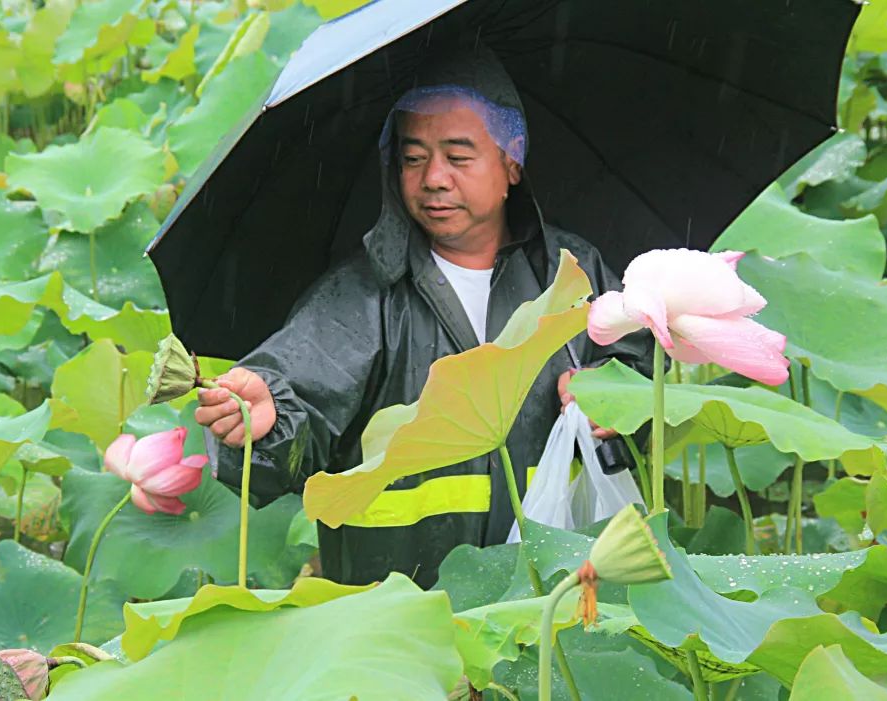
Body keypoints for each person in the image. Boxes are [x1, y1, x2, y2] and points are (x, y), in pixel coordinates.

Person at [195, 48, 651, 588]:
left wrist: (615, 400)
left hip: (551, 606)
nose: (434, 178)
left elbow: (636, 379)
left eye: (458, 157)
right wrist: (266, 424)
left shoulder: (574, 273)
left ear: (512, 162)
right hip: (395, 616)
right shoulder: (362, 296)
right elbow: (296, 396)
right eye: (413, 159)